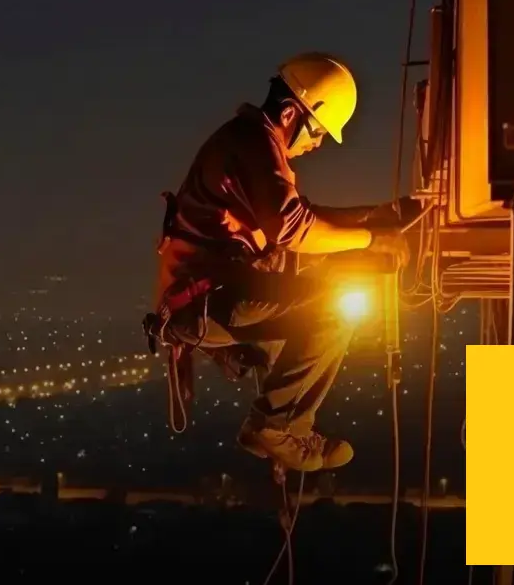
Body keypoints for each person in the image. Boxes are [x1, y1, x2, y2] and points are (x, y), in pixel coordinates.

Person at [147, 52, 411, 473]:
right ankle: (276, 426)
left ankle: (274, 425)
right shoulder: (254, 143)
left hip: (209, 297)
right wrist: (373, 237)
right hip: (208, 300)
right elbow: (293, 229)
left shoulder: (251, 143)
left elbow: (303, 218)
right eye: (319, 131)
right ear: (292, 112)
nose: (318, 143)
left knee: (320, 280)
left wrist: (378, 215)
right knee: (332, 308)